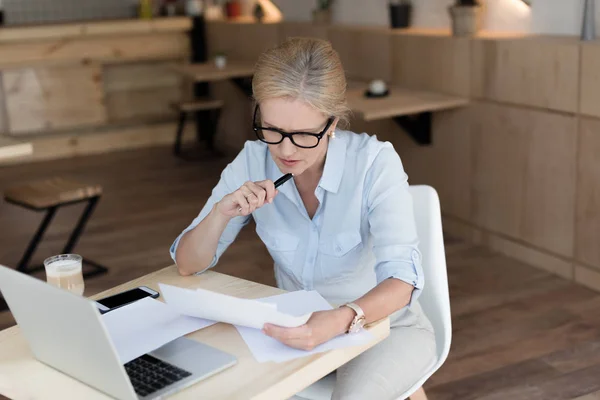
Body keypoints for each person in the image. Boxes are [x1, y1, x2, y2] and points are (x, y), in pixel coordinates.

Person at [170, 37, 436, 399]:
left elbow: (402, 280)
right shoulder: (252, 160)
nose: (284, 150)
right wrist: (219, 213)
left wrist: (342, 318)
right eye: (272, 130)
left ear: (332, 123)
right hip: (296, 331)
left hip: (381, 328)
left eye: (303, 135)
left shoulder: (375, 164)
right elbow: (187, 265)